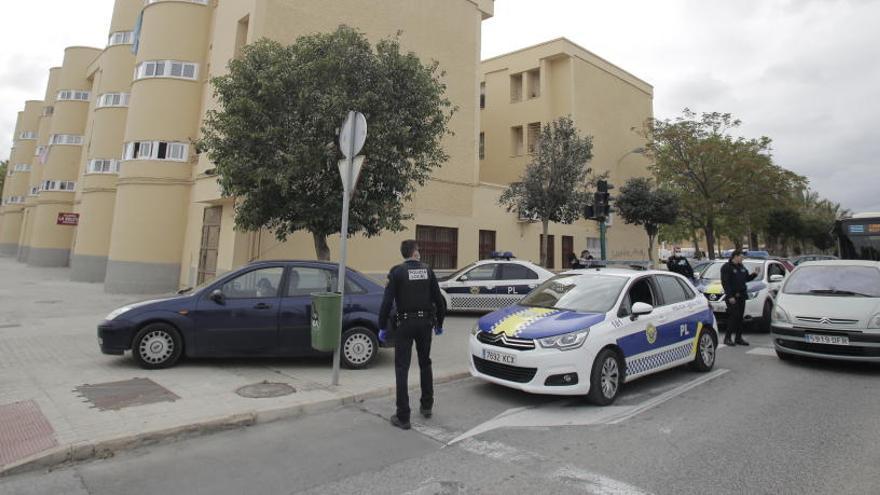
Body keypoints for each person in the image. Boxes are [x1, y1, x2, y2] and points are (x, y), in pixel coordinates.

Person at [378, 240, 446, 430]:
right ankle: (426, 405)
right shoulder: (428, 270)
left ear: (403, 254)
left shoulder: (397, 272)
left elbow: (386, 302)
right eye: (419, 250)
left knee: (402, 368)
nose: (420, 253)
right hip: (425, 324)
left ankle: (403, 416)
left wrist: (382, 326)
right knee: (425, 363)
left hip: (405, 324)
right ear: (415, 252)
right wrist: (439, 323)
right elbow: (438, 300)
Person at [720, 250, 758, 346]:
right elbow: (725, 283)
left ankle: (738, 338)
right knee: (734, 316)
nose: (742, 259)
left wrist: (754, 274)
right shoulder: (726, 267)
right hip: (732, 296)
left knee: (740, 317)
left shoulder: (741, 267)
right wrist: (729, 296)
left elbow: (746, 278)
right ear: (735, 256)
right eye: (741, 257)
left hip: (742, 295)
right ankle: (727, 338)